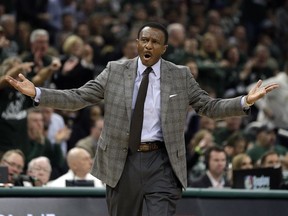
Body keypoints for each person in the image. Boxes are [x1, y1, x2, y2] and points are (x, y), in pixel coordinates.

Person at [5, 22, 279, 216]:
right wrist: (38, 92)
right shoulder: (114, 70)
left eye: (155, 42)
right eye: (144, 40)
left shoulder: (179, 75)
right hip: (121, 162)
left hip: (161, 162)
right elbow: (79, 96)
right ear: (137, 43)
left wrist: (244, 101)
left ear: (164, 48)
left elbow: (208, 106)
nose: (148, 45)